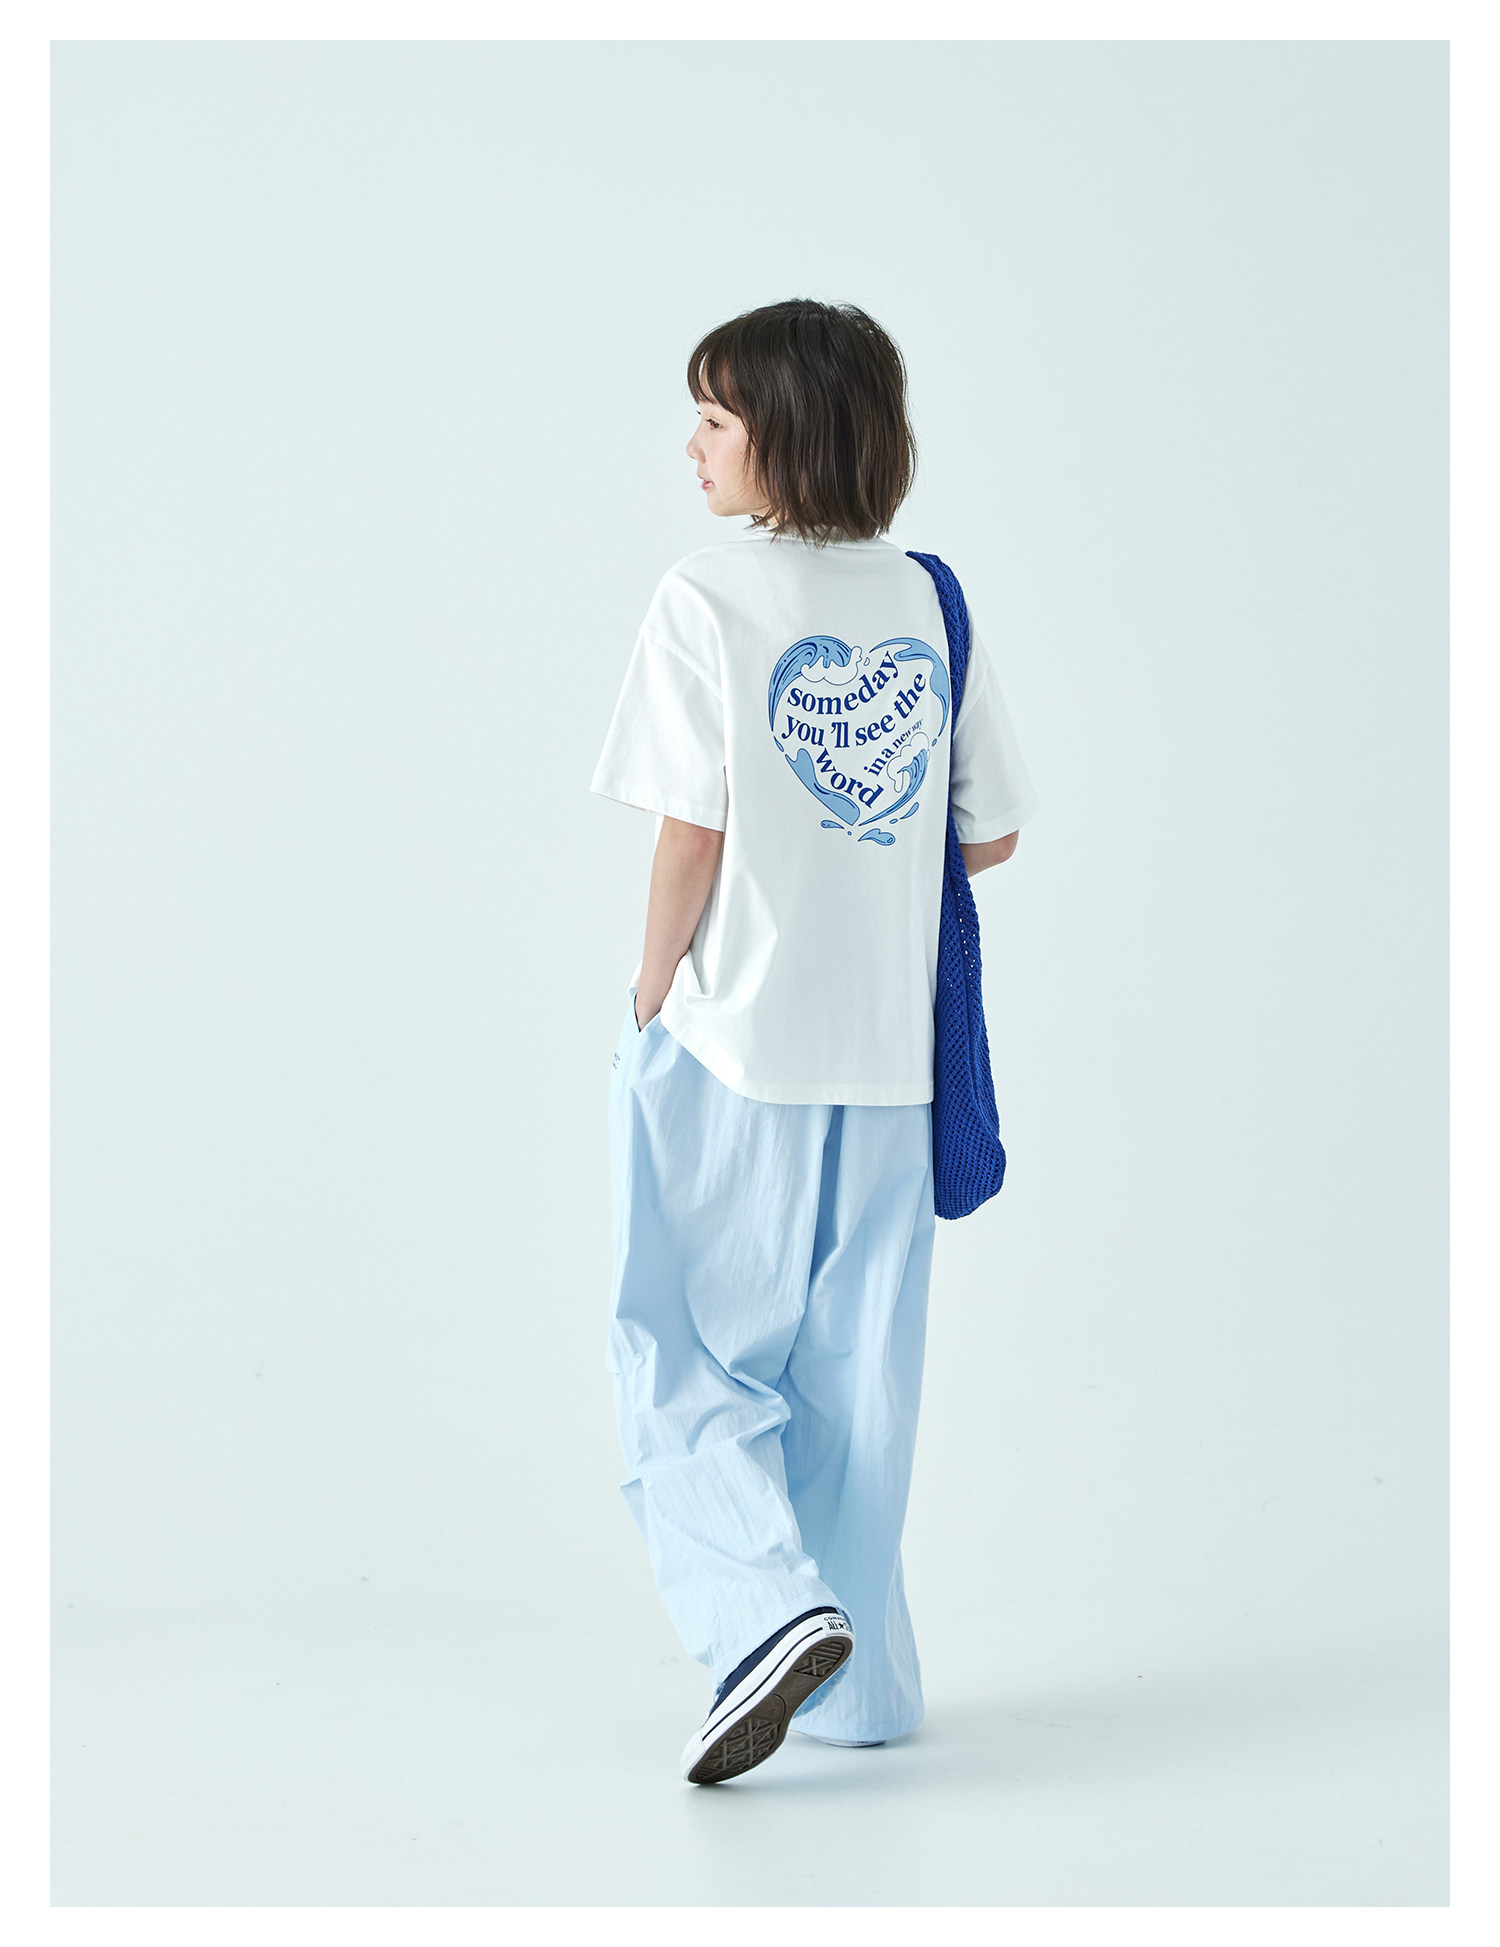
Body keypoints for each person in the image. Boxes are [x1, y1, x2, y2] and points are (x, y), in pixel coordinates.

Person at [590, 299, 1039, 1785]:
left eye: (715, 419)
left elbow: (691, 832)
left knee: (681, 1352)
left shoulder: (705, 597)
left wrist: (648, 987)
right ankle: (864, 1696)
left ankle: (766, 1616)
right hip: (890, 1065)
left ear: (783, 436)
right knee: (856, 1385)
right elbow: (991, 834)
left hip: (734, 1044)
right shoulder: (924, 598)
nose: (693, 447)